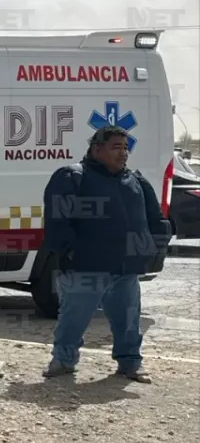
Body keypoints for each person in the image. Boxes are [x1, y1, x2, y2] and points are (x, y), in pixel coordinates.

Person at [40, 125, 172, 383]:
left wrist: (153, 246)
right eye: (116, 147)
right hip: (86, 268)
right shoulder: (72, 177)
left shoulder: (135, 181)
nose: (123, 153)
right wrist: (71, 253)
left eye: (125, 148)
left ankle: (130, 364)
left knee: (129, 323)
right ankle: (63, 362)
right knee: (73, 321)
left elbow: (156, 219)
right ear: (96, 149)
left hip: (126, 270)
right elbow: (57, 222)